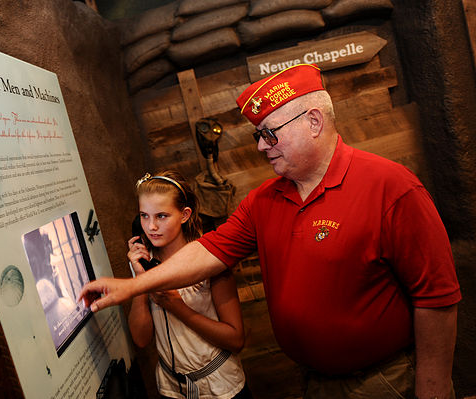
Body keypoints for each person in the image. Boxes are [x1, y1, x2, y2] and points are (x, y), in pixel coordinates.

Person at [80, 64, 461, 399]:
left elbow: (437, 297)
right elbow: (210, 251)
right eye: (258, 136)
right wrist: (132, 287)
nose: (262, 146)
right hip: (315, 381)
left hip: (384, 380)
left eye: (270, 133)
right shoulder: (264, 200)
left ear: (314, 122)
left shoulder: (390, 187)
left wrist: (434, 387)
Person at [127, 171, 251, 399]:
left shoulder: (211, 262)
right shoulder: (144, 262)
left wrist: (177, 307)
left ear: (184, 215)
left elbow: (236, 340)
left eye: (161, 216)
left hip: (220, 387)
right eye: (144, 216)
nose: (151, 226)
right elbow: (141, 339)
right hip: (172, 389)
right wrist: (140, 281)